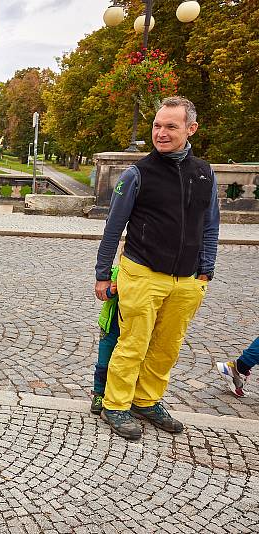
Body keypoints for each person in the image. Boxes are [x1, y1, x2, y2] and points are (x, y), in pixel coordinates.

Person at [94, 96, 220, 441]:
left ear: (190, 129)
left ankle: (146, 400)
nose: (161, 133)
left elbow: (211, 225)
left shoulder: (204, 173)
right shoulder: (138, 173)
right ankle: (115, 405)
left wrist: (206, 269)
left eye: (170, 126)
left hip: (187, 279)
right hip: (142, 272)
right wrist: (103, 273)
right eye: (156, 126)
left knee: (167, 346)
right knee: (132, 342)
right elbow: (113, 226)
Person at [90, 266, 119, 415]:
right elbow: (104, 295)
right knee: (103, 364)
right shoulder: (116, 273)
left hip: (129, 328)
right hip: (110, 327)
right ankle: (98, 394)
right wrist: (111, 290)